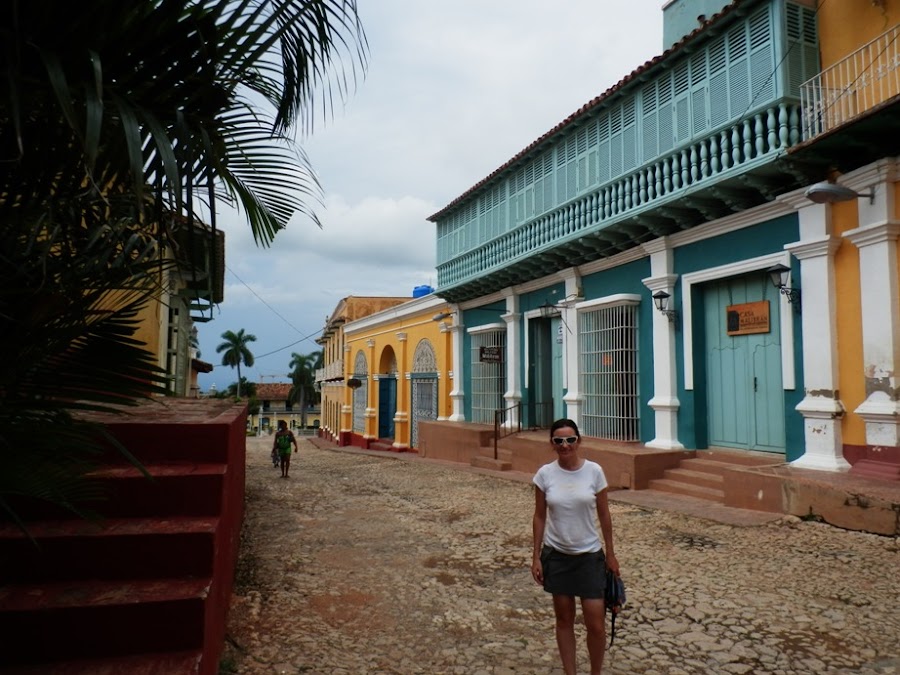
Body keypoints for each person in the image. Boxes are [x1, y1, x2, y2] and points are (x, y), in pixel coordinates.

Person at [531, 418, 620, 675]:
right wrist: (536, 556)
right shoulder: (545, 474)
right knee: (564, 620)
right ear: (552, 444)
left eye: (570, 440)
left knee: (596, 623)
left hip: (590, 556)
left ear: (578, 441)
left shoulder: (594, 471)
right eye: (559, 441)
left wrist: (611, 555)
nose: (565, 445)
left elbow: (604, 514)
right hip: (557, 556)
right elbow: (539, 516)